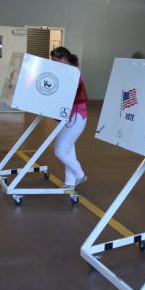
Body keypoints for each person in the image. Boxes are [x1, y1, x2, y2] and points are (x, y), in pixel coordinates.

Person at [50, 46, 88, 190]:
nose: (54, 63)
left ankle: (80, 175)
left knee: (60, 150)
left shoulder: (72, 73)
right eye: (52, 61)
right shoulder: (66, 72)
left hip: (76, 116)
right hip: (68, 116)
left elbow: (65, 95)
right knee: (68, 149)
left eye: (56, 60)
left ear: (65, 59)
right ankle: (70, 182)